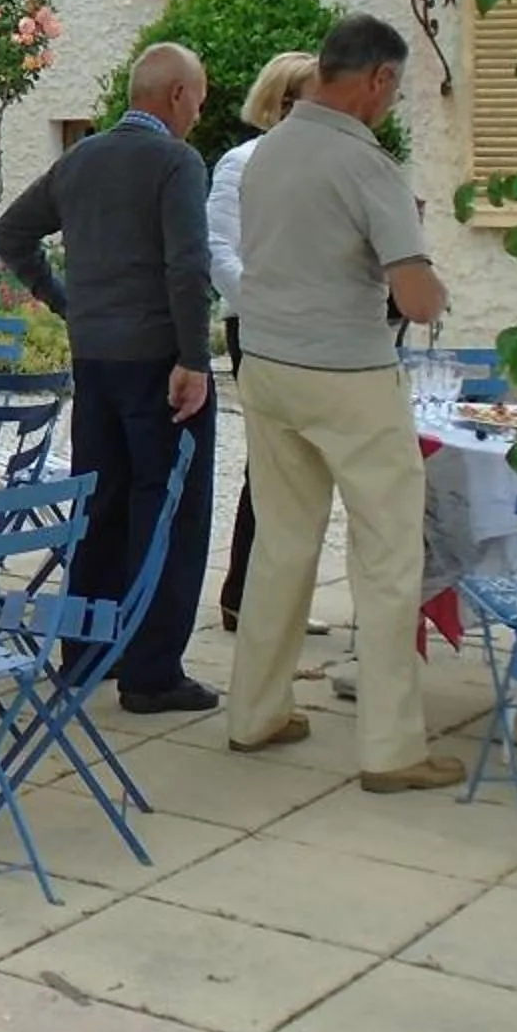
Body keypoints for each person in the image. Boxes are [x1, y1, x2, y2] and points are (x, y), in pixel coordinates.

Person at [225, 12, 463, 791]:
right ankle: (391, 749)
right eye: (393, 92)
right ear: (379, 79)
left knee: (282, 543)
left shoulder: (266, 153)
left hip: (267, 363)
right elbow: (415, 297)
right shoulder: (367, 165)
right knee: (389, 555)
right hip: (348, 373)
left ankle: (255, 713)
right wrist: (437, 289)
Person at [0, 42, 218, 713]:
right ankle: (153, 672)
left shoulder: (81, 159)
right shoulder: (176, 162)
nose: (198, 116)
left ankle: (87, 652)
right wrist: (195, 358)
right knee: (169, 510)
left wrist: (66, 301)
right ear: (175, 94)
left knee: (99, 504)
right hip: (159, 361)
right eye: (198, 101)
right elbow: (188, 267)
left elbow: (10, 234)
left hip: (94, 360)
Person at [206, 50, 318, 632]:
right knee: (273, 464)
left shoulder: (328, 164)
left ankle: (284, 601)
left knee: (308, 469)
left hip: (316, 331)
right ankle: (243, 596)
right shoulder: (241, 163)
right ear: (284, 102)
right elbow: (217, 250)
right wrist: (266, 307)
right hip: (259, 327)